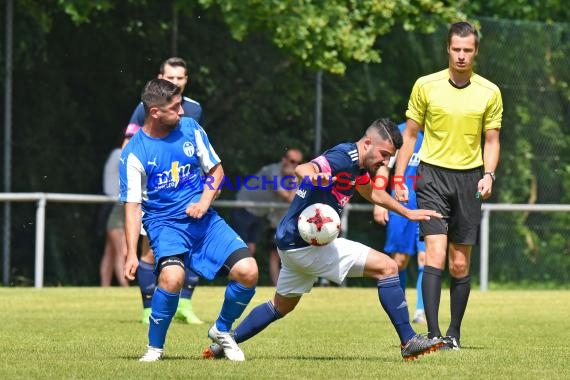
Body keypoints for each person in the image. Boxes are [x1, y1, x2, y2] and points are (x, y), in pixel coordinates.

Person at [203, 118, 444, 361]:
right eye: (383, 154)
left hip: (292, 242)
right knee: (388, 267)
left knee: (281, 306)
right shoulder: (344, 157)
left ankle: (223, 344)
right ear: (368, 142)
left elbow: (371, 192)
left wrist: (407, 212)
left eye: (389, 157)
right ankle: (409, 340)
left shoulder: (359, 166)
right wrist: (313, 176)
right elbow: (303, 169)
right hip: (305, 245)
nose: (385, 161)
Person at [120, 79, 259, 362]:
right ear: (155, 112)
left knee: (248, 270)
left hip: (204, 220)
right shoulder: (134, 152)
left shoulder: (191, 129)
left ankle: (221, 331)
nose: (182, 111)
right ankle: (154, 349)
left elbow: (217, 172)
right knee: (173, 278)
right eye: (174, 107)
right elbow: (132, 207)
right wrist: (130, 253)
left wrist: (204, 202)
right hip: (165, 225)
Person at [394, 21, 503, 350]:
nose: (461, 55)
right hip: (431, 177)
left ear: (476, 52)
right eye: (456, 49)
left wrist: (489, 174)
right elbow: (409, 136)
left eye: (467, 50)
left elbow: (493, 140)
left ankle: (454, 334)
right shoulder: (426, 86)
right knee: (434, 256)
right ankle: (432, 334)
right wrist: (399, 178)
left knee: (459, 263)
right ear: (448, 48)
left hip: (469, 179)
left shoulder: (489, 92)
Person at [126, 57, 204, 324]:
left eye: (180, 78)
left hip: (188, 192)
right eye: (170, 77)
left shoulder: (194, 109)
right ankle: (149, 308)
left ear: (186, 80)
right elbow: (131, 143)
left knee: (192, 247)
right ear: (161, 77)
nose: (175, 82)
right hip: (158, 195)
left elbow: (197, 150)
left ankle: (184, 305)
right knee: (151, 252)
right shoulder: (147, 106)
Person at [373, 122, 425, 323]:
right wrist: (379, 201)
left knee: (426, 258)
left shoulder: (436, 133)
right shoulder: (399, 133)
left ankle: (421, 311)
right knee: (400, 261)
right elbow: (383, 169)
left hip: (428, 203)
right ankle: (399, 308)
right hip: (401, 205)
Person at [230, 149, 303, 285]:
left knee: (251, 248)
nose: (295, 165)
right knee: (241, 248)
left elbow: (294, 199)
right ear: (284, 160)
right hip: (243, 208)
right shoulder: (272, 172)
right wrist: (294, 178)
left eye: (298, 163)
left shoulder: (290, 177)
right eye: (292, 161)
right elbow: (288, 198)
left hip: (259, 213)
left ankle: (243, 281)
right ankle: (238, 281)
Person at [99, 128, 135, 287]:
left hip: (111, 205)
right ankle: (125, 286)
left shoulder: (117, 153)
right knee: (122, 250)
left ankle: (105, 287)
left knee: (111, 251)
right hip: (116, 206)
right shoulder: (120, 154)